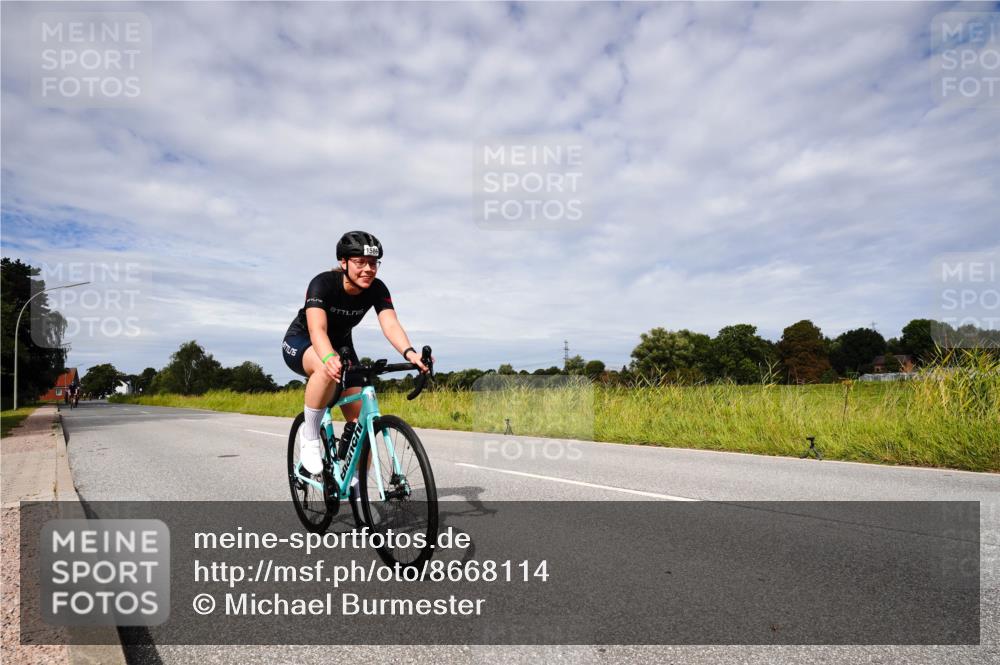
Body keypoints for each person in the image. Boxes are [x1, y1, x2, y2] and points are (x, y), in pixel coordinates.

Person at [281, 231, 429, 475]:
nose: (368, 269)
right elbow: (317, 328)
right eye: (360, 263)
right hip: (303, 340)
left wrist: (410, 353)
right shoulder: (323, 283)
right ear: (344, 262)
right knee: (324, 368)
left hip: (341, 348)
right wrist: (328, 359)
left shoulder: (377, 289)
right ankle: (309, 437)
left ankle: (358, 493)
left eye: (373, 263)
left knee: (363, 425)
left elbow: (390, 324)